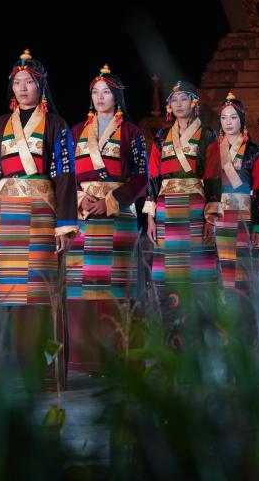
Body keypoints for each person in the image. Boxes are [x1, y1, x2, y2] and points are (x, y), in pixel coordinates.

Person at [0, 48, 78, 389]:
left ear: (41, 86)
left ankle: (45, 371)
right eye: (17, 82)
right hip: (6, 218)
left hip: (43, 217)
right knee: (7, 294)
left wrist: (65, 224)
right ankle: (7, 371)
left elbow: (65, 176)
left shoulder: (57, 125)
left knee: (42, 295)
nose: (23, 87)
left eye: (29, 81)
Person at [66, 64, 148, 375]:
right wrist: (78, 198)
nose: (101, 97)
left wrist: (111, 201)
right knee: (82, 287)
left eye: (107, 92)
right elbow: (65, 174)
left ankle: (118, 357)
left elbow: (142, 177)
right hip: (84, 216)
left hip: (117, 217)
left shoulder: (132, 132)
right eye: (96, 93)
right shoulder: (75, 132)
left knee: (117, 286)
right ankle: (86, 357)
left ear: (117, 97)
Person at [144, 81, 222, 345]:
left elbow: (212, 176)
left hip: (196, 209)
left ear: (194, 103)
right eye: (174, 99)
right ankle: (170, 340)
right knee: (169, 276)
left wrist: (211, 216)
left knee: (197, 275)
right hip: (166, 209)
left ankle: (200, 340)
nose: (178, 104)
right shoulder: (160, 137)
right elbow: (153, 177)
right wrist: (151, 215)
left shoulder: (208, 135)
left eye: (184, 99)